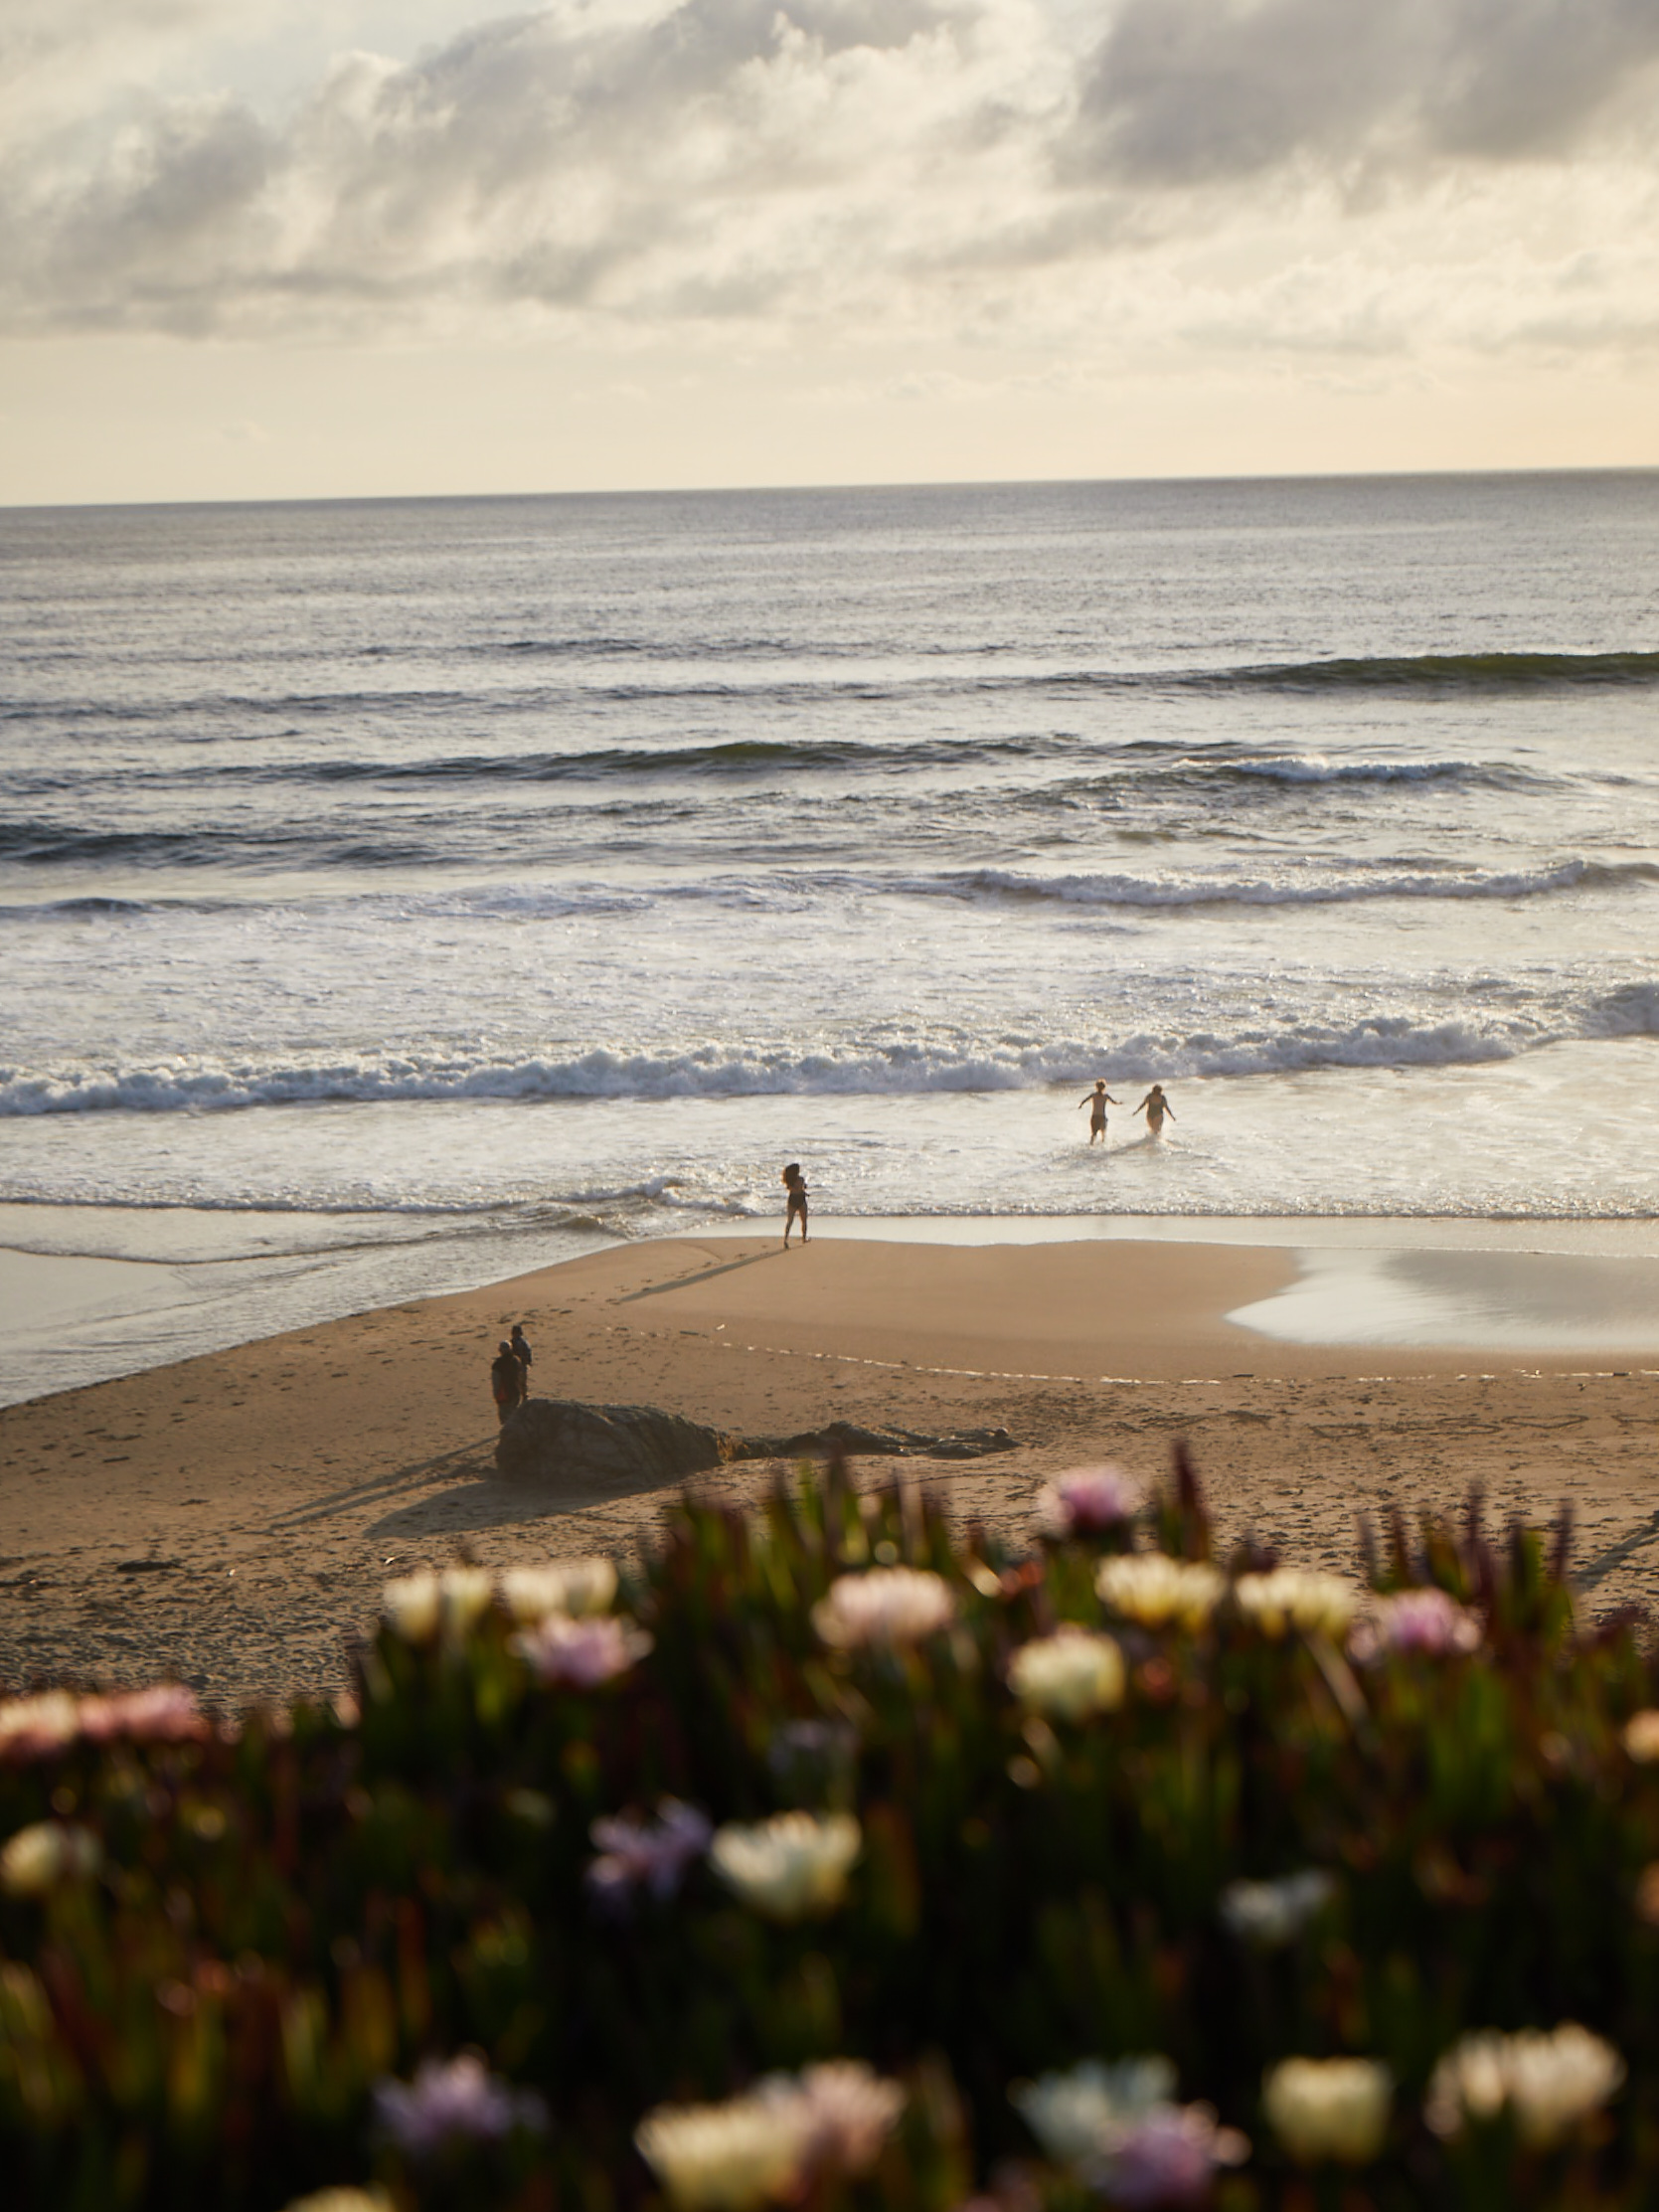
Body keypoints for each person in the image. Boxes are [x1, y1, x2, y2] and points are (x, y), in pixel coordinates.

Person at [490, 1338, 524, 1424]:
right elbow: (521, 1377)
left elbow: (496, 1381)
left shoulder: (498, 1364)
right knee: (514, 1414)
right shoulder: (516, 1361)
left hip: (504, 1394)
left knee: (505, 1418)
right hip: (516, 1392)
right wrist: (523, 1391)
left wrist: (496, 1394)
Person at [1077, 1079, 1121, 1145]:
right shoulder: (1106, 1096)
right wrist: (1119, 1103)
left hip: (1094, 1117)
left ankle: (1090, 1148)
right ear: (1104, 1087)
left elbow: (1084, 1101)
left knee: (1093, 1135)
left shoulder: (1093, 1095)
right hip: (1102, 1117)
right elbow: (1114, 1102)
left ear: (1096, 1087)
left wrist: (1080, 1105)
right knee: (1103, 1136)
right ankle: (1102, 1148)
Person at [781, 1161, 809, 1247]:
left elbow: (795, 1190)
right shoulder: (801, 1179)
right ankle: (804, 1238)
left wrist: (803, 1190)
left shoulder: (789, 1181)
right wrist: (805, 1189)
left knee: (790, 1221)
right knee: (804, 1221)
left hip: (792, 1200)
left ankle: (785, 1239)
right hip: (800, 1200)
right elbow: (800, 1189)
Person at [510, 1322, 533, 1393]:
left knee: (517, 1383)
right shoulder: (524, 1342)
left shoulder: (512, 1343)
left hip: (517, 1366)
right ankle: (524, 1396)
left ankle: (523, 1395)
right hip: (520, 1366)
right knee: (521, 1383)